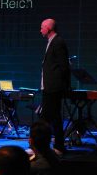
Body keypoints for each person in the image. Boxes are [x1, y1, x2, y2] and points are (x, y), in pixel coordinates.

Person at [40, 18, 71, 156]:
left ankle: (57, 146)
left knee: (52, 117)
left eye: (42, 27)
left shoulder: (58, 42)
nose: (40, 30)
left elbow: (64, 66)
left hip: (54, 87)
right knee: (49, 117)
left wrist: (63, 86)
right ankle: (47, 147)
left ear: (49, 28)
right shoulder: (50, 42)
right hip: (49, 86)